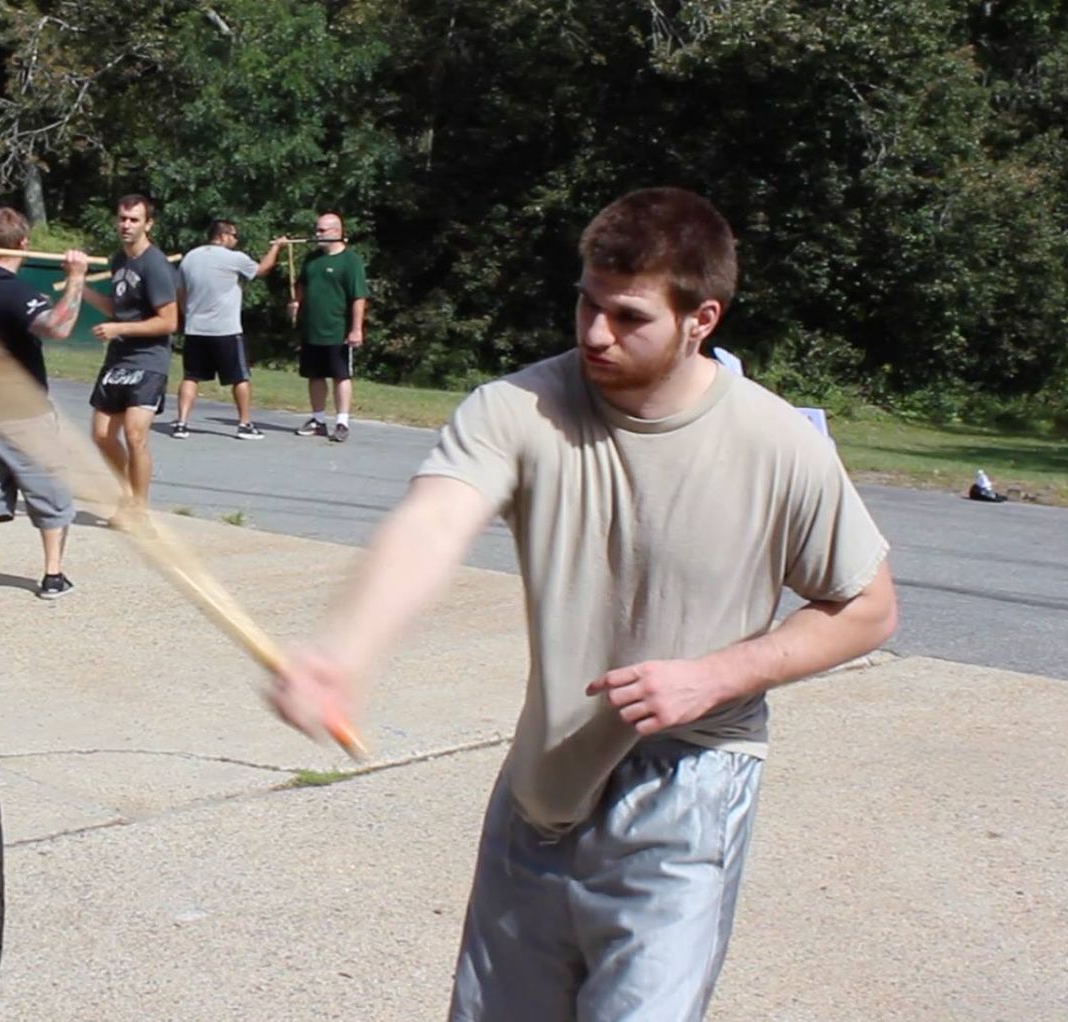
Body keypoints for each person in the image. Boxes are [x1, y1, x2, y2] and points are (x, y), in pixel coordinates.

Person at [267, 187, 898, 1021]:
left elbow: (868, 607)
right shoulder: (517, 409)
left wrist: (717, 676)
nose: (596, 333)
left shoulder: (779, 446)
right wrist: (346, 650)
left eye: (630, 317)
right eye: (587, 304)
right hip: (543, 785)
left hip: (689, 783)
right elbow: (432, 525)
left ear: (701, 318)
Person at [0, 206, 90, 600]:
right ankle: (53, 576)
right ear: (24, 243)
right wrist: (76, 280)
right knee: (49, 492)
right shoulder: (11, 289)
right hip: (21, 414)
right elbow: (58, 327)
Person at [84, 194, 179, 516]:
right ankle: (127, 491)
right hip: (118, 357)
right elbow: (119, 308)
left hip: (149, 359)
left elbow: (169, 321)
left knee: (134, 433)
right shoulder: (118, 260)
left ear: (147, 224)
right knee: (100, 434)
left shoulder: (155, 265)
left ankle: (139, 508)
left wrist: (118, 330)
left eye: (134, 220)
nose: (126, 225)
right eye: (123, 218)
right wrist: (80, 289)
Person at [172, 219, 286, 440]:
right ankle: (244, 424)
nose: (235, 240)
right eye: (234, 236)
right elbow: (262, 269)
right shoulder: (234, 258)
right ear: (223, 236)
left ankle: (181, 423)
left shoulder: (190, 257)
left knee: (191, 377)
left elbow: (180, 291)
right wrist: (276, 247)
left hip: (195, 329)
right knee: (239, 378)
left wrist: (187, 313)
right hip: (226, 330)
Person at [290, 212, 368, 443]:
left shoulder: (350, 261)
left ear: (336, 232)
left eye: (322, 230)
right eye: (317, 230)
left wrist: (356, 328)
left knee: (340, 375)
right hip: (312, 328)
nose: (317, 234)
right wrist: (296, 302)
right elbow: (301, 285)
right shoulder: (312, 259)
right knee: (314, 375)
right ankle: (318, 420)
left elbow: (359, 297)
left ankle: (342, 422)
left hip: (337, 330)